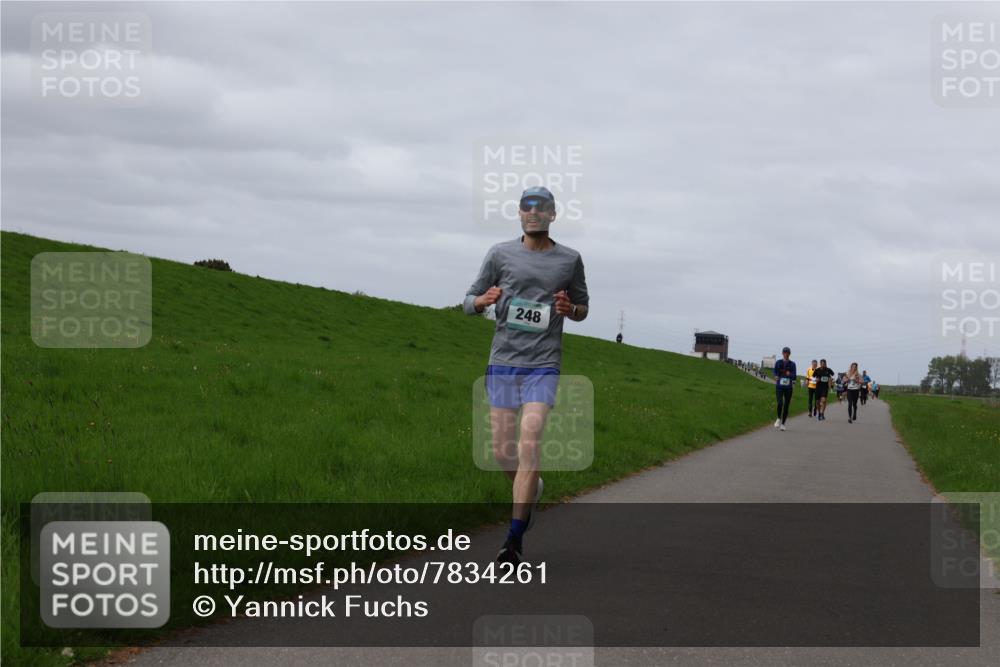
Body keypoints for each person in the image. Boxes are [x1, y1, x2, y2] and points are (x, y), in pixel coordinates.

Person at [464, 185, 590, 565]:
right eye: (526, 207)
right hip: (503, 362)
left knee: (530, 443)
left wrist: (571, 309)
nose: (533, 213)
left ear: (553, 215)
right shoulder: (499, 254)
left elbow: (583, 308)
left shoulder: (570, 260)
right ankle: (532, 490)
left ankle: (513, 539)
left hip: (543, 364)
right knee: (503, 452)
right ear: (519, 214)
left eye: (542, 208)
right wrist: (482, 301)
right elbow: (467, 301)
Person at [773, 347, 796, 431]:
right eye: (785, 352)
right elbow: (774, 371)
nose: (786, 354)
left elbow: (794, 376)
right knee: (780, 403)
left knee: (786, 405)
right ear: (782, 353)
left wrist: (789, 374)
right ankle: (778, 418)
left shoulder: (792, 364)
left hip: (788, 387)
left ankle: (783, 424)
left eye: (787, 353)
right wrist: (775, 376)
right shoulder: (778, 362)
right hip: (779, 386)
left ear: (789, 354)